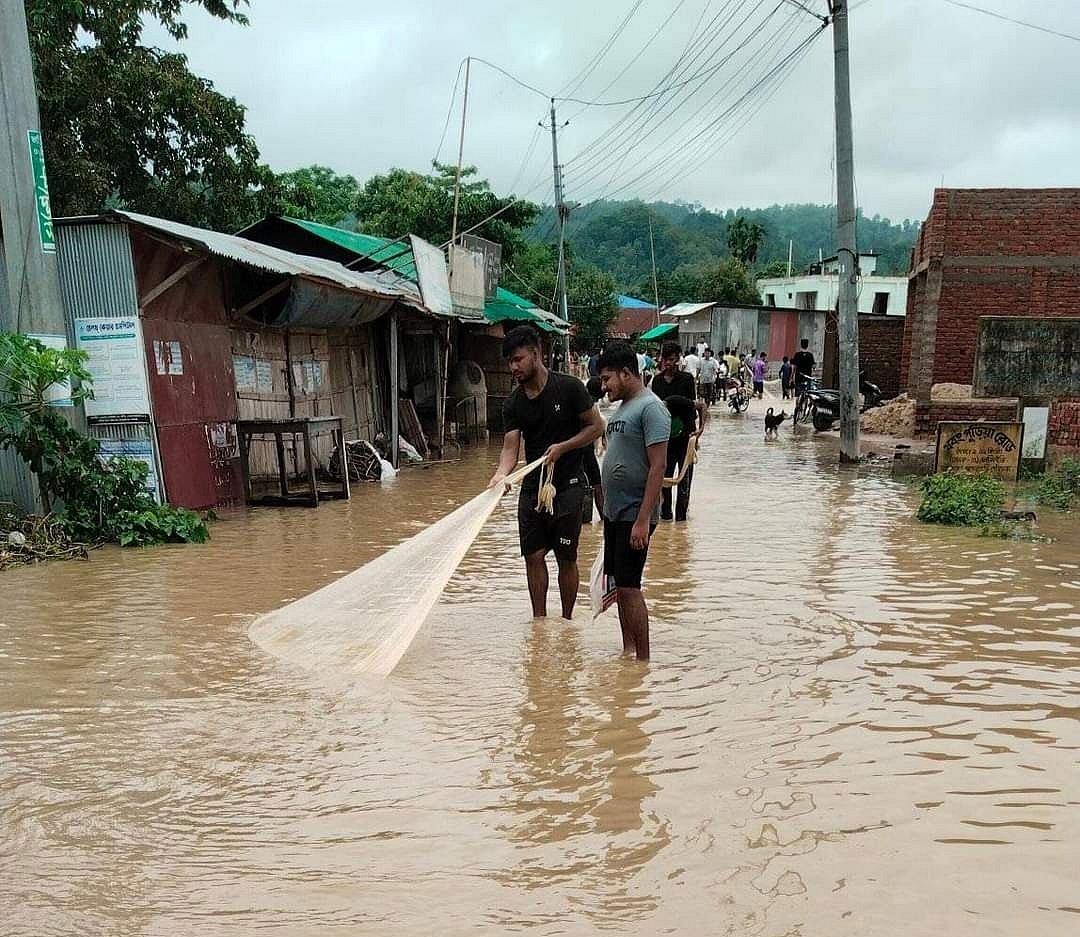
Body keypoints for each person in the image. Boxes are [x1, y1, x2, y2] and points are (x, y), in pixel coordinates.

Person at [490, 326, 604, 620]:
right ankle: (539, 621)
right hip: (532, 488)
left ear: (536, 353)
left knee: (567, 557)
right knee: (533, 556)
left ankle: (567, 620)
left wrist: (563, 447)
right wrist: (500, 475)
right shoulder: (513, 403)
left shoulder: (569, 388)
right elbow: (510, 449)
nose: (513, 367)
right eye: (510, 362)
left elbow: (596, 427)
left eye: (518, 359)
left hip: (568, 485)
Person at [596, 342, 670, 661]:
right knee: (619, 586)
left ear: (627, 373)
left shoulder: (651, 408)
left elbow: (659, 466)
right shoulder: (622, 408)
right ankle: (627, 651)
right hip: (615, 513)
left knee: (630, 585)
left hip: (634, 513)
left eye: (607, 378)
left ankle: (643, 659)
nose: (604, 386)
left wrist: (643, 520)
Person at [649, 341, 707, 521]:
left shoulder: (687, 379)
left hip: (686, 438)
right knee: (663, 479)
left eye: (672, 359)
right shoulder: (657, 381)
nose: (668, 363)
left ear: (678, 359)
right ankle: (665, 516)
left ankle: (682, 519)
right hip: (663, 439)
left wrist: (698, 433)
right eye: (665, 360)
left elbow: (697, 407)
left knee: (684, 481)